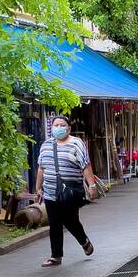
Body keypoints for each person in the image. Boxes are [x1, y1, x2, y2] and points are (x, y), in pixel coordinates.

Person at [35, 115, 95, 268]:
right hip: (50, 191)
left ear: (69, 128)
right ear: (52, 128)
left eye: (62, 125)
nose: (59, 127)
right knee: (54, 223)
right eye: (56, 125)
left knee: (70, 220)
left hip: (70, 190)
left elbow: (85, 166)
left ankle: (84, 241)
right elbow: (41, 167)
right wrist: (38, 187)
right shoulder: (46, 145)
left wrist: (92, 185)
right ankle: (56, 256)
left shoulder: (77, 144)